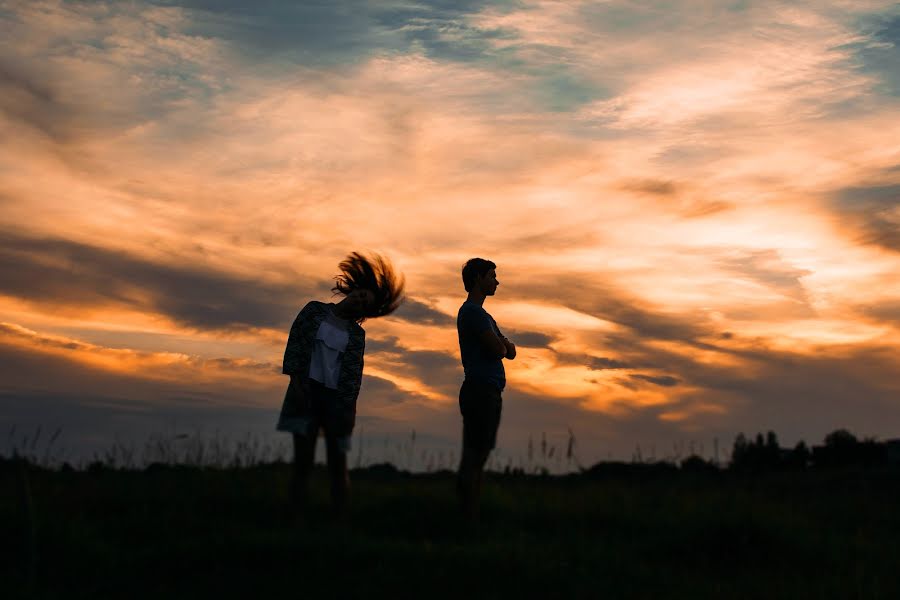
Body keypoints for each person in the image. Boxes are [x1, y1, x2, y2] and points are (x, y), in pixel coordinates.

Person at [277, 252, 404, 518]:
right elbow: (295, 345)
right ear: (353, 289)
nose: (360, 300)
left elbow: (354, 375)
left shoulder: (357, 335)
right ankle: (295, 514)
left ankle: (339, 516)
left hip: (336, 402)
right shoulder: (314, 311)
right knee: (303, 459)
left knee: (338, 461)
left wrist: (349, 412)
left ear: (365, 312)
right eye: (360, 294)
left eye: (365, 303)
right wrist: (297, 382)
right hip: (306, 392)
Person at [456, 257, 515, 520]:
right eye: (492, 276)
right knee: (474, 456)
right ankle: (466, 515)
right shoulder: (472, 313)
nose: (497, 281)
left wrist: (501, 343)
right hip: (479, 391)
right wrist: (501, 343)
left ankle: (471, 513)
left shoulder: (485, 316)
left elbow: (510, 352)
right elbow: (500, 349)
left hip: (489, 391)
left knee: (480, 454)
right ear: (478, 279)